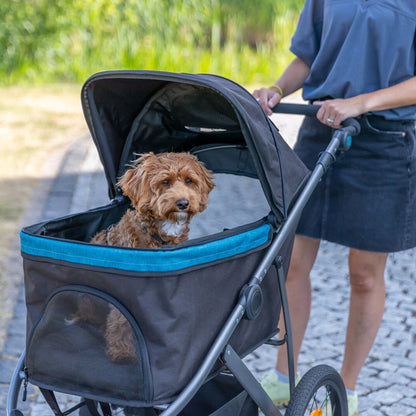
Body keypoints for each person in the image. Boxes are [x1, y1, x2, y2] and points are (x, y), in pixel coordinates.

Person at [253, 1, 416, 415]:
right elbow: (309, 55)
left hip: (384, 140)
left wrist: (360, 102)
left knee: (364, 275)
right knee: (290, 263)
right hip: (320, 128)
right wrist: (277, 89)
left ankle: (348, 387)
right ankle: (282, 377)